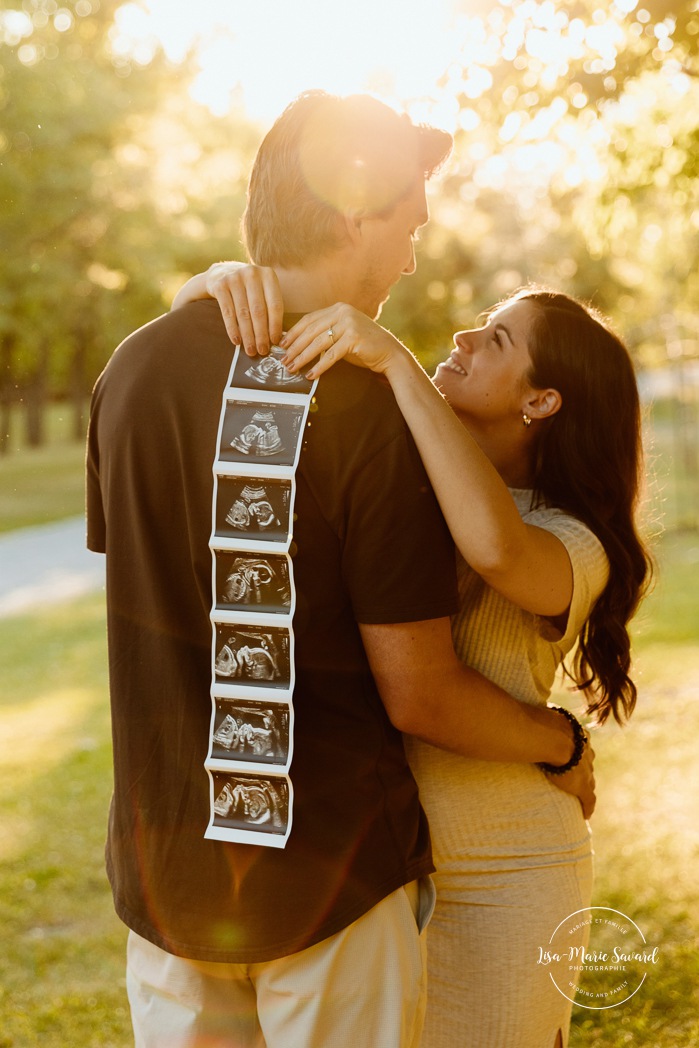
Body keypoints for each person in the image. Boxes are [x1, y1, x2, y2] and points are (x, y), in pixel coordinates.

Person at [88, 90, 593, 1048]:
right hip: (330, 886)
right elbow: (417, 690)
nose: (410, 253)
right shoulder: (367, 412)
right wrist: (564, 744)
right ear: (356, 208)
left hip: (166, 885)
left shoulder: (132, 370)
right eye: (408, 223)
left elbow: (140, 591)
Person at [174, 266, 651, 1047]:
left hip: (507, 876)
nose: (462, 336)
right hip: (380, 873)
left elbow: (496, 549)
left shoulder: (574, 539)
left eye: (495, 339)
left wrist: (396, 361)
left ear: (541, 401)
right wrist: (212, 287)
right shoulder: (413, 480)